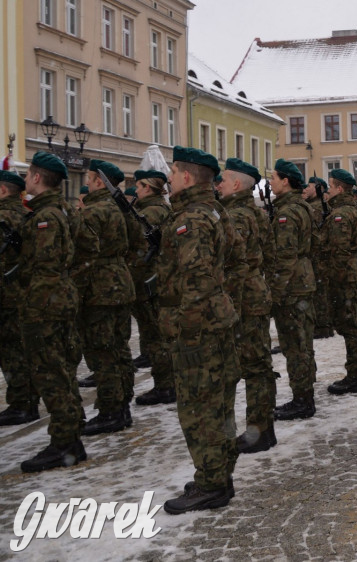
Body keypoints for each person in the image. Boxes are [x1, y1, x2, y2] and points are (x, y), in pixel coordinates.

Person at [156, 146, 240, 512]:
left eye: (173, 173)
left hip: (197, 327)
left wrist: (183, 328)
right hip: (215, 319)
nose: (169, 180)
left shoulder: (190, 219)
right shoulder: (215, 211)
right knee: (219, 402)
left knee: (198, 405)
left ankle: (211, 484)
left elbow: (197, 280)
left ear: (186, 176)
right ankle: (217, 473)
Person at [14, 153, 87, 472]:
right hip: (59, 295)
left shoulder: (46, 216)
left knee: (50, 371)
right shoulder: (63, 209)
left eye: (29, 174)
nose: (26, 179)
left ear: (37, 177)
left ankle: (64, 442)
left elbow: (41, 263)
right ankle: (70, 435)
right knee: (60, 367)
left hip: (46, 300)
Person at [217, 158, 278, 454]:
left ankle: (260, 430)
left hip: (245, 297)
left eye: (224, 180)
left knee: (255, 366)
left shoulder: (237, 215)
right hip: (252, 293)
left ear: (237, 185)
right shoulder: (248, 212)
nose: (219, 184)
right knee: (257, 364)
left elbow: (236, 264)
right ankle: (262, 427)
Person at [75, 160, 136, 436]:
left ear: (99, 182)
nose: (87, 183)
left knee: (102, 352)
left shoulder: (93, 212)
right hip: (120, 282)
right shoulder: (119, 209)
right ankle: (121, 405)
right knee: (119, 348)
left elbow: (80, 253)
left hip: (100, 287)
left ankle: (111, 410)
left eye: (89, 178)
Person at [267, 159, 318, 420]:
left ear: (285, 181)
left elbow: (285, 257)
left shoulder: (288, 212)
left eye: (274, 177)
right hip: (303, 281)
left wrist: (273, 293)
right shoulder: (303, 206)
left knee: (296, 346)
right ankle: (305, 394)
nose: (270, 181)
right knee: (303, 343)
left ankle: (302, 399)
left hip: (292, 286)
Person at [128, 169, 175, 406]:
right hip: (160, 278)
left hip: (149, 281)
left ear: (147, 187)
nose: (135, 190)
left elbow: (136, 247)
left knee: (155, 337)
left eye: (138, 186)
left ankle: (165, 385)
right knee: (161, 335)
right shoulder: (164, 209)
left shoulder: (149, 213)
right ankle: (168, 383)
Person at [322, 168, 357, 395]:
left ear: (339, 188)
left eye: (330, 187)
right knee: (354, 325)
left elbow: (338, 250)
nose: (327, 191)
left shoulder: (341, 213)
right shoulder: (354, 210)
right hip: (352, 274)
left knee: (351, 327)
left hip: (344, 276)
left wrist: (331, 275)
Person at [0, 170, 39, 427]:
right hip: (24, 292)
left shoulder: (2, 217)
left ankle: (21, 403)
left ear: (3, 191)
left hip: (5, 295)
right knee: (22, 349)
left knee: (10, 352)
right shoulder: (28, 215)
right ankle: (28, 400)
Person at [304, 176, 334, 339]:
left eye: (309, 187)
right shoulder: (316, 206)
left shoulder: (316, 208)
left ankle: (322, 326)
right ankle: (325, 324)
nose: (306, 189)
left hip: (318, 255)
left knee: (320, 292)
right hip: (319, 254)